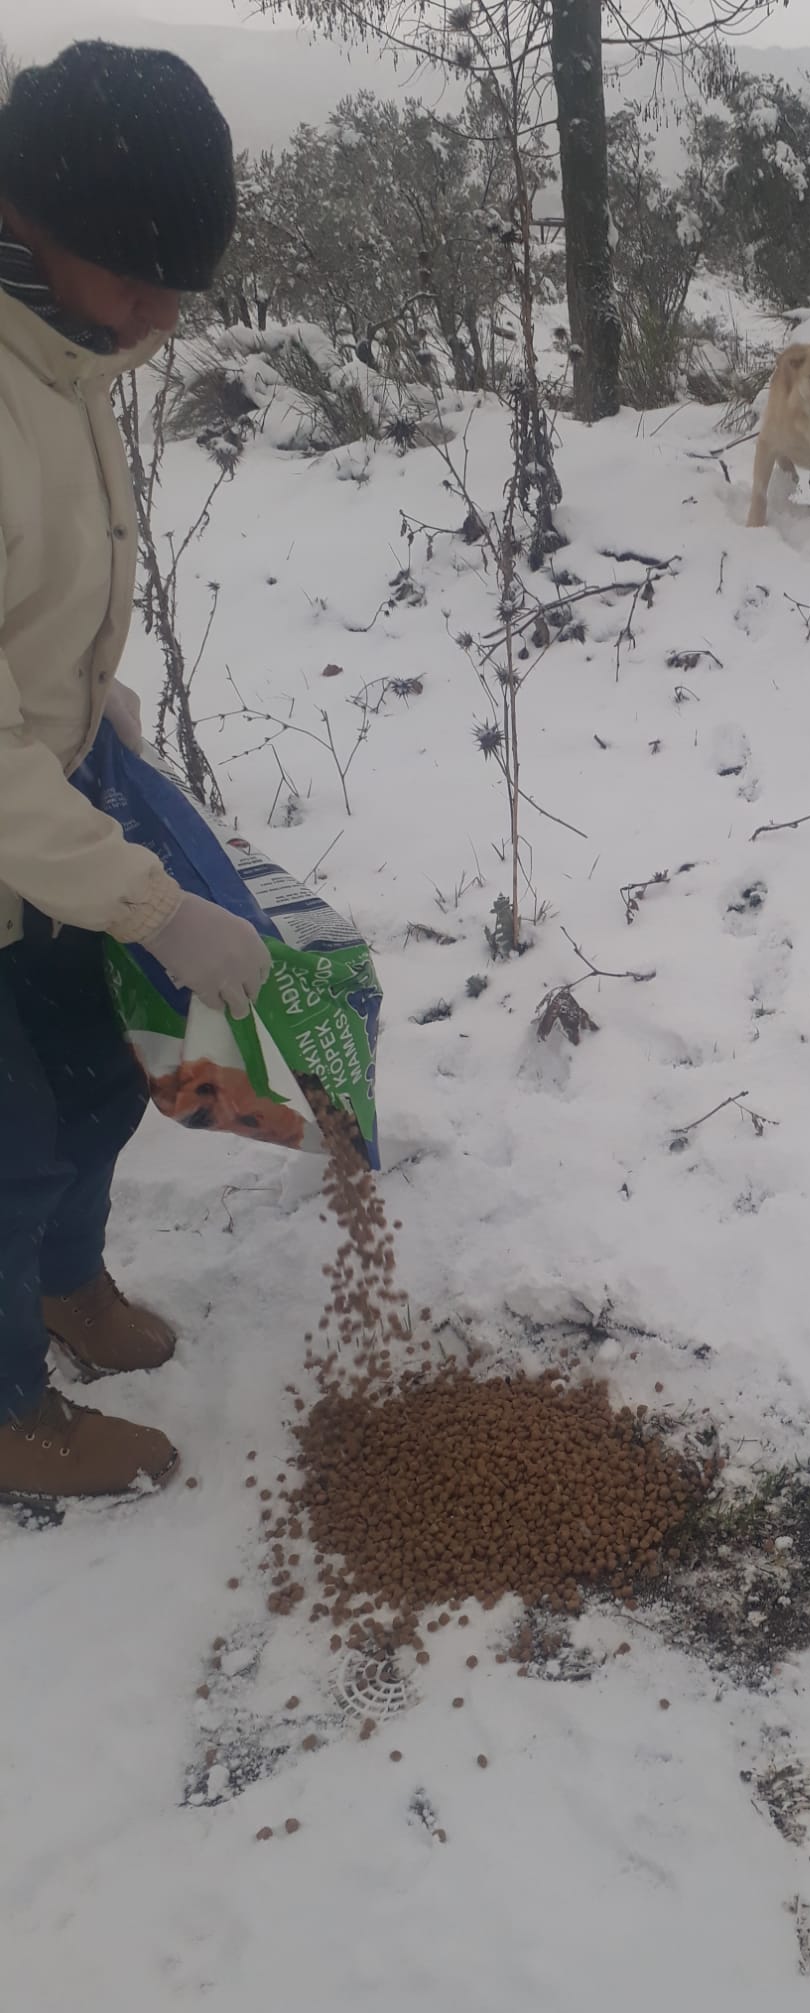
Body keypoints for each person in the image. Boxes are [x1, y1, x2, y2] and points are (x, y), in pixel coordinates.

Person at [0, 42, 272, 1505]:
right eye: (132, 279)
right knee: (4, 1141)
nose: (157, 319)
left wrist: (83, 693)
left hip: (36, 835)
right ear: (28, 217)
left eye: (181, 288)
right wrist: (150, 903)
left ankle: (64, 1288)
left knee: (89, 1087)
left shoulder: (61, 349)